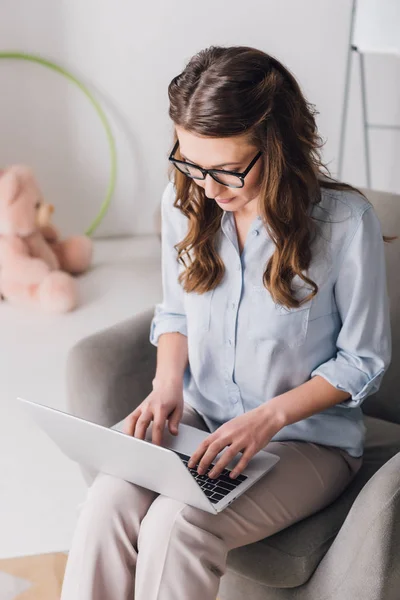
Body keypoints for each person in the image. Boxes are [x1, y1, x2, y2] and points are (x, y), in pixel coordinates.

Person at [61, 45, 393, 600]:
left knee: (178, 523)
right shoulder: (185, 200)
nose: (208, 188)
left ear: (277, 147)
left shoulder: (344, 225)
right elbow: (175, 311)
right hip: (201, 419)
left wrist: (266, 420)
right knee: (108, 499)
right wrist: (167, 385)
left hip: (306, 443)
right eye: (190, 162)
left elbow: (363, 362)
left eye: (226, 170)